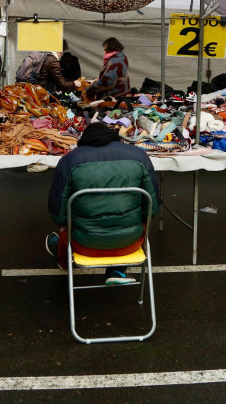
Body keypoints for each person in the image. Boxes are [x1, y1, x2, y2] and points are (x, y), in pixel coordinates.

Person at [45, 122, 159, 285]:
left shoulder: (70, 160)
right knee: (135, 222)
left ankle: (64, 260)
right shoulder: (139, 156)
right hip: (129, 243)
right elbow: (151, 208)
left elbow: (58, 214)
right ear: (114, 138)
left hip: (84, 244)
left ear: (84, 140)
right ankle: (118, 269)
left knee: (63, 234)